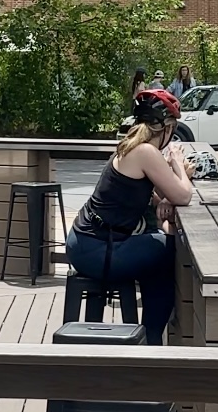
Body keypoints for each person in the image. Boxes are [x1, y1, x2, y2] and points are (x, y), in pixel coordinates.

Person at [66, 87, 191, 344]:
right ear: (166, 128)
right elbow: (183, 196)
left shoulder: (130, 147)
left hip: (87, 243)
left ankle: (150, 336)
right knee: (168, 248)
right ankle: (153, 337)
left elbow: (160, 195)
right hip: (98, 250)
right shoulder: (146, 152)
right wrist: (179, 165)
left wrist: (164, 198)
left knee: (155, 252)